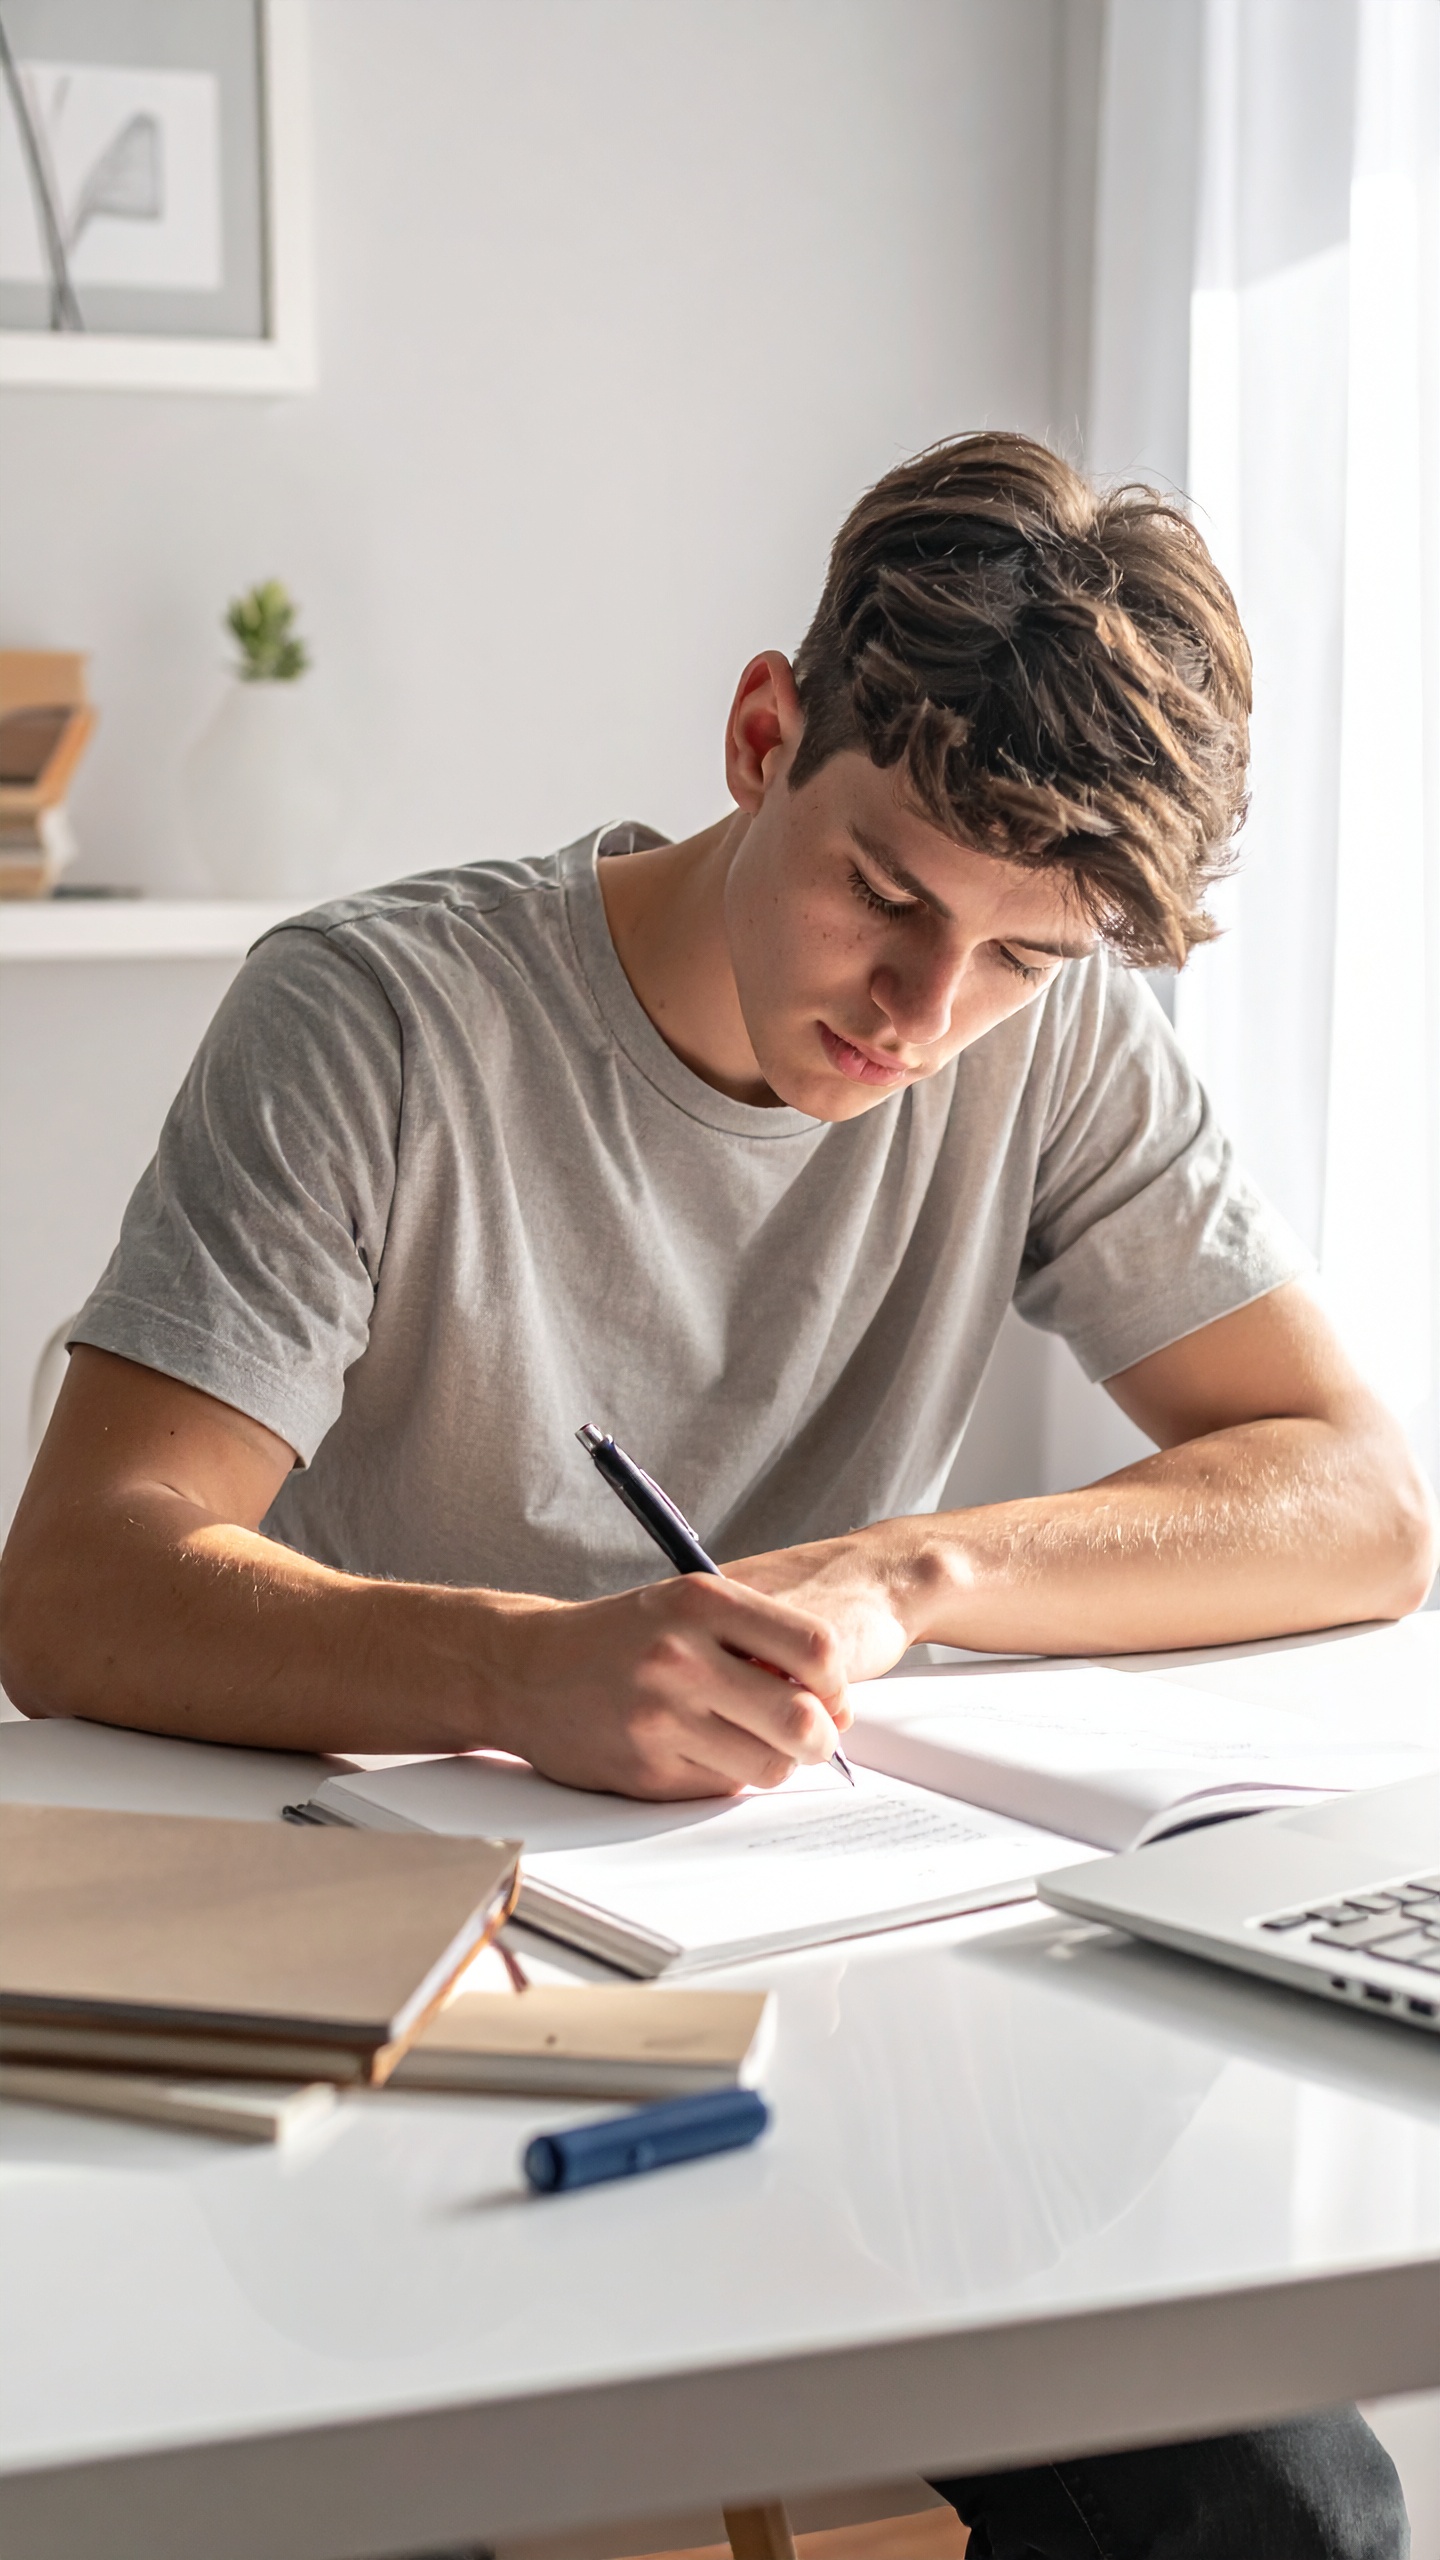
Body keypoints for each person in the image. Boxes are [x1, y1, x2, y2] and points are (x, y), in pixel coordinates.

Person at [0, 433, 1428, 2557]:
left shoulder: (1047, 1029)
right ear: (765, 732)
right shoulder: (380, 1017)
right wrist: (530, 1670)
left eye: (1024, 956)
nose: (924, 1018)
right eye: (889, 892)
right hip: (404, 1999)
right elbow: (76, 1580)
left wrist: (898, 1575)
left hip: (843, 1984)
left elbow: (1357, 1495)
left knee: (1289, 2498)